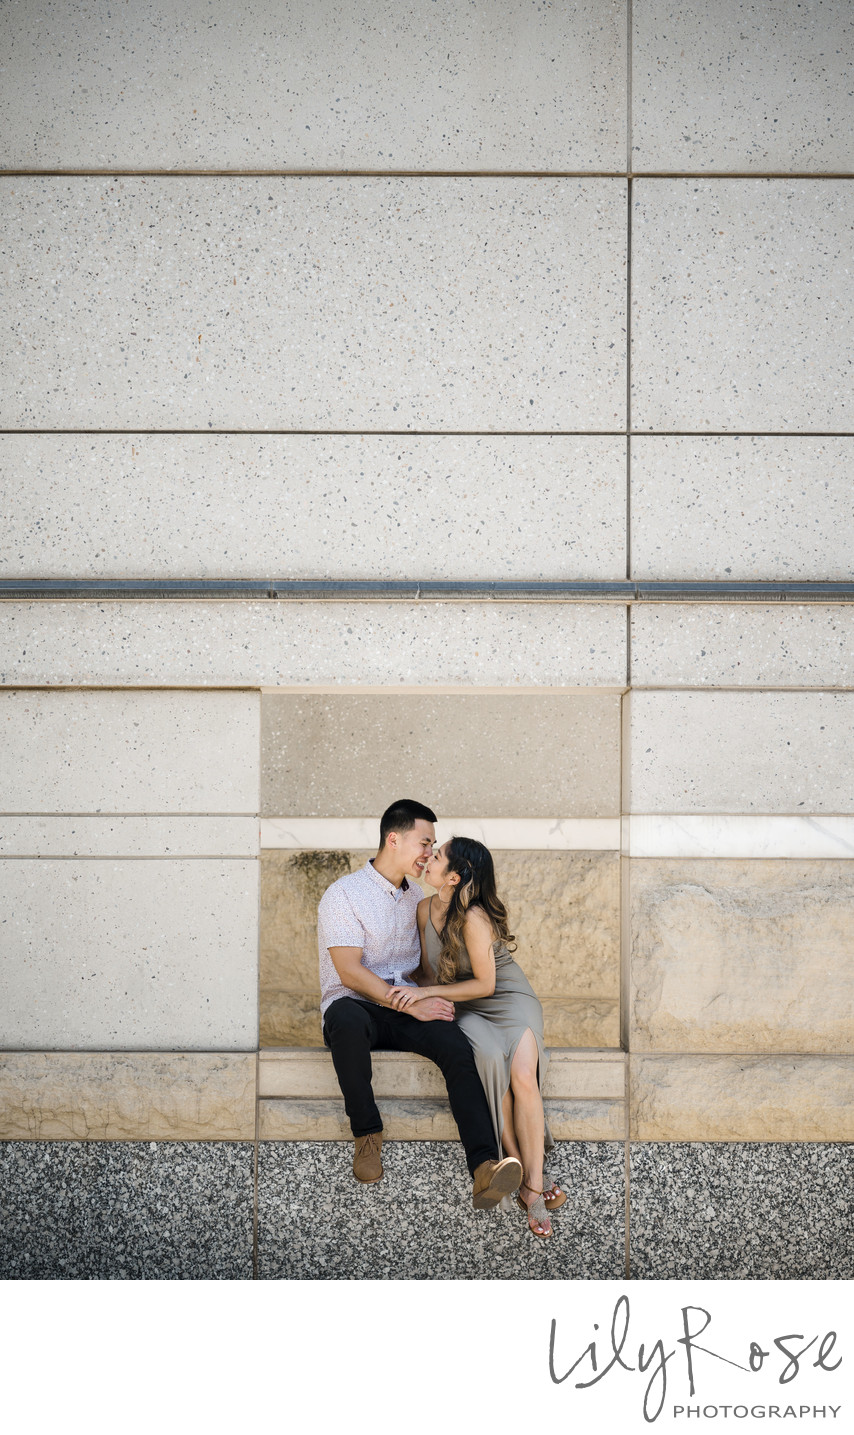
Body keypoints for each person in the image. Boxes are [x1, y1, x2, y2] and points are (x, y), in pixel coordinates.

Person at [317, 798, 522, 1209]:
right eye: (424, 842)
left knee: (455, 1044)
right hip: (358, 1006)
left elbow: (427, 972)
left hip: (406, 1006)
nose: (430, 853)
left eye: (432, 846)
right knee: (344, 1019)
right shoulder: (343, 895)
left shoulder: (419, 899)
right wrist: (410, 1004)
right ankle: (367, 1134)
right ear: (393, 839)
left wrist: (438, 1001)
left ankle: (484, 1166)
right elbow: (349, 973)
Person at [389, 835, 565, 1239]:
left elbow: (486, 984)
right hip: (464, 1006)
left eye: (437, 856)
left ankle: (534, 1186)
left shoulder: (475, 917)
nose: (428, 859)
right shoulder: (423, 909)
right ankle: (522, 1173)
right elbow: (429, 975)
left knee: (522, 1076)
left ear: (454, 877)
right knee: (487, 1063)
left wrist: (426, 994)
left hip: (507, 1000)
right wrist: (402, 993)